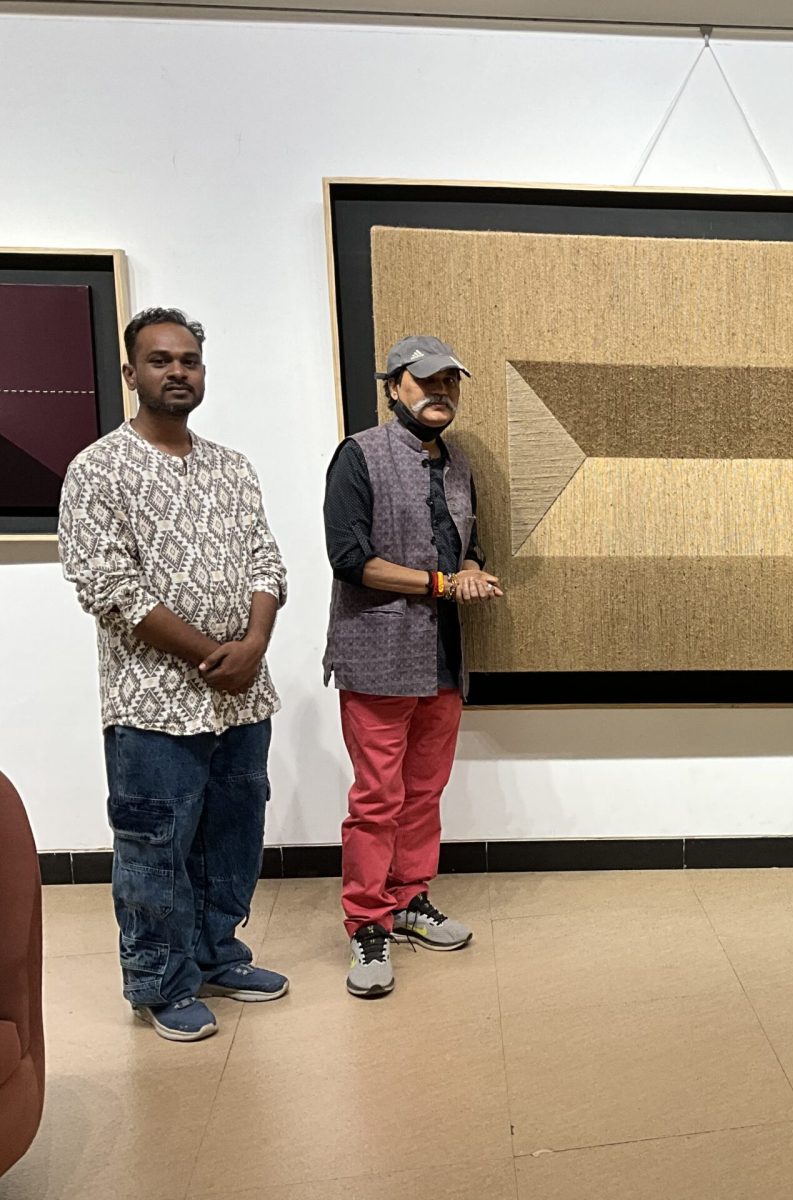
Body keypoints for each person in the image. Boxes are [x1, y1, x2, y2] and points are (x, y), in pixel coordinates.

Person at [59, 307, 289, 1042]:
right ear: (132, 373)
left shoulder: (232, 467)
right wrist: (208, 654)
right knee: (154, 848)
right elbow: (108, 586)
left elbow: (267, 561)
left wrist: (254, 643)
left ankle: (217, 955)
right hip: (152, 704)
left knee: (232, 837)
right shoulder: (97, 469)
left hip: (242, 699)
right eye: (160, 360)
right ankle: (160, 983)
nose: (177, 372)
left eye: (189, 360)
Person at [323, 335, 502, 999]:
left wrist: (472, 570)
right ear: (393, 386)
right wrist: (442, 584)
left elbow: (469, 545)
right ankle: (367, 922)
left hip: (443, 658)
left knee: (424, 793)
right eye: (427, 381)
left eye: (450, 382)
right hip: (377, 656)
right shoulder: (358, 455)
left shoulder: (458, 464)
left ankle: (409, 899)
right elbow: (350, 559)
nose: (441, 392)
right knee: (378, 798)